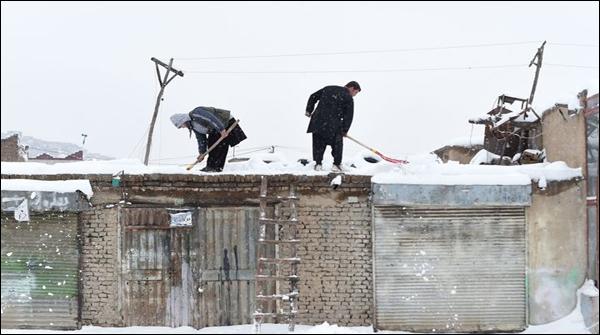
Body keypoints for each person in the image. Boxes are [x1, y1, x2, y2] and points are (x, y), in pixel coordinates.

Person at [305, 81, 361, 172]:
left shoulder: (328, 88)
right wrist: (344, 130)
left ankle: (318, 164)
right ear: (352, 88)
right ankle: (336, 165)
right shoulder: (348, 97)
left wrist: (309, 110)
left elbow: (313, 97)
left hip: (318, 123)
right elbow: (349, 116)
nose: (354, 95)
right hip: (334, 126)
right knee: (337, 146)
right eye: (356, 93)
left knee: (318, 145)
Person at [170, 106, 246, 172]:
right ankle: (212, 167)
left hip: (224, 122)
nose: (183, 127)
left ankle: (215, 167)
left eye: (181, 125)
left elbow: (211, 118)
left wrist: (221, 129)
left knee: (219, 145)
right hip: (216, 129)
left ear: (182, 120)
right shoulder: (193, 127)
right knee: (212, 144)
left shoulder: (196, 113)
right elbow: (201, 139)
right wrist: (202, 153)